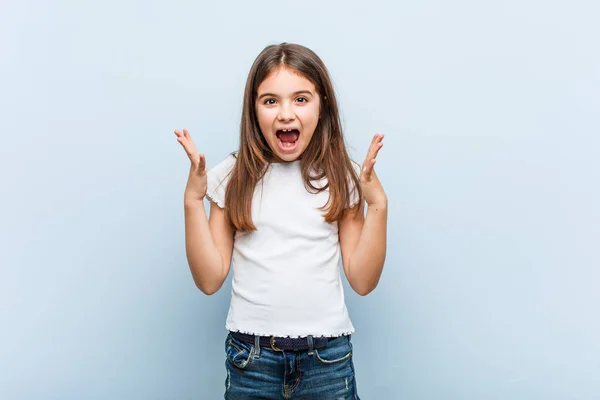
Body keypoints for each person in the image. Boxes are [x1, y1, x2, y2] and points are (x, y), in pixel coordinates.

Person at [174, 42, 387, 400]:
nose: (285, 113)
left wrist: (377, 204)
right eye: (270, 100)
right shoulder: (232, 175)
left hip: (327, 361)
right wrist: (193, 200)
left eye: (301, 99)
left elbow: (363, 281)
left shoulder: (342, 175)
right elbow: (209, 279)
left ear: (323, 107)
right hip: (251, 361)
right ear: (254, 109)